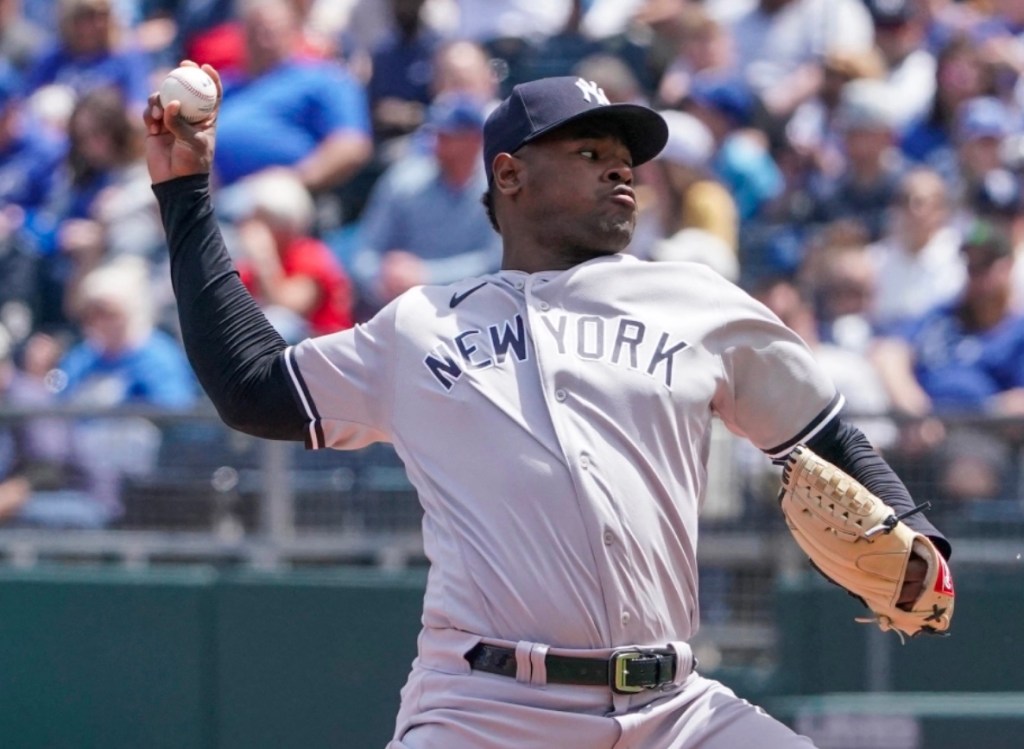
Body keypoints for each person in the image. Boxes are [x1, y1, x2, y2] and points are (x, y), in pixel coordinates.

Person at [146, 65, 950, 749]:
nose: (620, 171)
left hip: (674, 709)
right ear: (509, 176)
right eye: (590, 153)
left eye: (626, 159)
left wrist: (919, 533)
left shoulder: (695, 300)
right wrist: (184, 192)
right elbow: (254, 383)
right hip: (484, 708)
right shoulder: (420, 325)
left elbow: (824, 433)